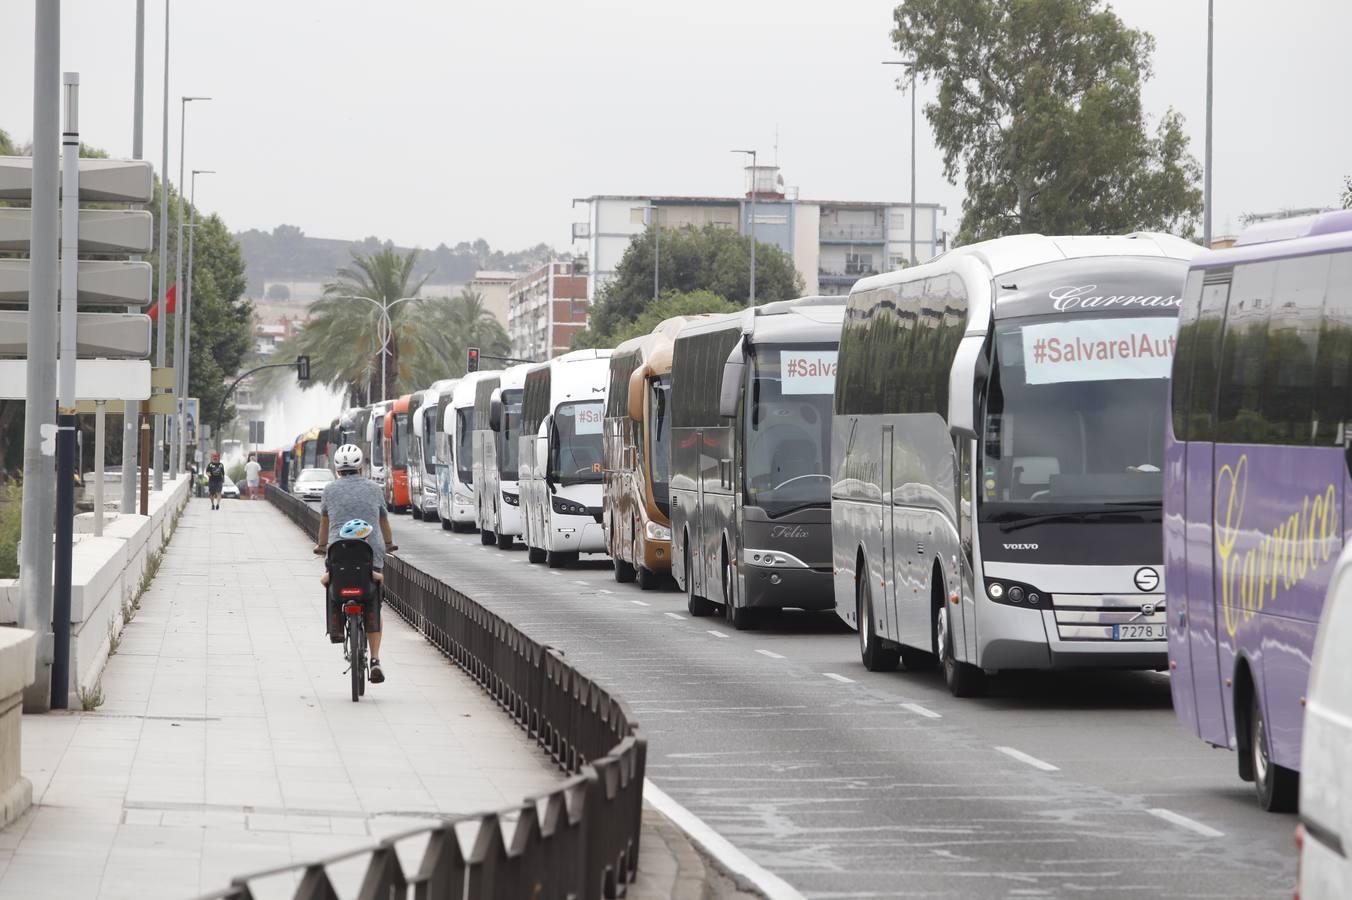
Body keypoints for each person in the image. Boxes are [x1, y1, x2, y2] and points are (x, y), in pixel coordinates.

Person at [315, 444, 395, 684]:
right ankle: (376, 660)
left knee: (332, 586)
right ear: (361, 466)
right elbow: (383, 520)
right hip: (370, 553)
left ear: (337, 469)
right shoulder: (374, 488)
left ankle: (337, 627)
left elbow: (325, 523)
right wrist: (389, 543)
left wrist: (321, 546)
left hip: (339, 552)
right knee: (374, 602)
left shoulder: (329, 490)